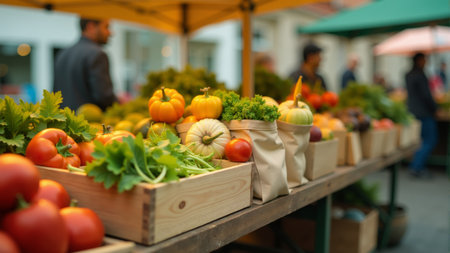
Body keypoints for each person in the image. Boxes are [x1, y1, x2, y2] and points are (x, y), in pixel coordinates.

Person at [53, 18, 118, 111]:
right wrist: (119, 105)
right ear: (90, 27)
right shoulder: (97, 54)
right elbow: (104, 97)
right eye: (106, 27)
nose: (110, 33)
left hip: (64, 122)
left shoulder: (62, 53)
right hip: (89, 122)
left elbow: (55, 95)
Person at [405, 52, 438, 178]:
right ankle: (417, 166)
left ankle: (416, 165)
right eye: (424, 59)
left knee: (419, 140)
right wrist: (435, 108)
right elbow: (426, 96)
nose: (426, 62)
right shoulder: (421, 75)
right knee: (430, 140)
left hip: (413, 111)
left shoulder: (408, 74)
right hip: (424, 112)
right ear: (419, 60)